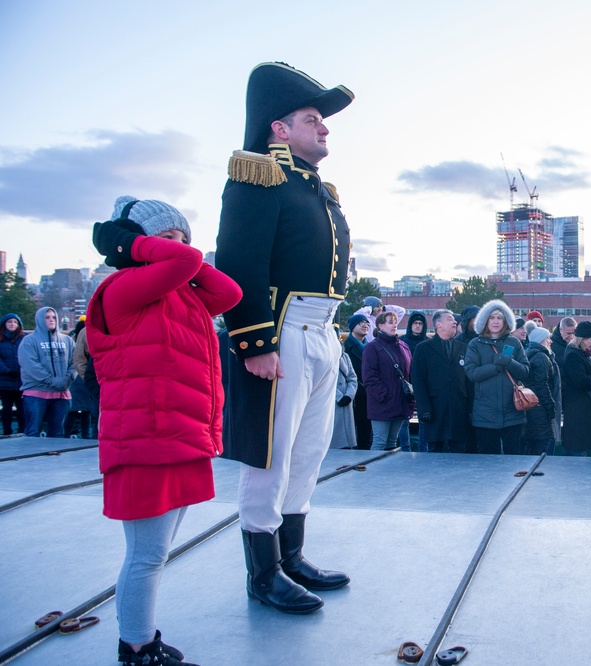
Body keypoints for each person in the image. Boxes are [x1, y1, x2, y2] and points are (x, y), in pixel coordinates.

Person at [215, 62, 354, 615]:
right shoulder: (257, 176)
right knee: (269, 458)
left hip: (321, 331)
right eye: (313, 119)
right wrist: (255, 343)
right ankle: (264, 572)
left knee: (308, 452)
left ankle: (292, 557)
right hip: (281, 331)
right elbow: (239, 261)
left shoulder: (314, 189)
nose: (324, 130)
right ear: (279, 128)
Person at [88, 195, 242, 666]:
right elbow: (189, 261)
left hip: (176, 437)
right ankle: (136, 647)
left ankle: (141, 638)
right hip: (144, 440)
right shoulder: (120, 289)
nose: (178, 246)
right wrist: (138, 247)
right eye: (164, 237)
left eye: (182, 236)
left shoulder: (183, 295)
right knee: (147, 555)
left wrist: (169, 251)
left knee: (156, 553)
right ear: (134, 245)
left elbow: (230, 294)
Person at [464, 300, 529, 454]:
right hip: (485, 415)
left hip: (513, 412)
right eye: (492, 317)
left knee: (513, 459)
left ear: (505, 321)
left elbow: (525, 371)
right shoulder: (475, 344)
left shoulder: (514, 342)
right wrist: (496, 367)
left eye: (499, 318)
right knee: (488, 462)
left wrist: (508, 362)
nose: (495, 321)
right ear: (485, 320)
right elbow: (472, 373)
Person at [410, 310, 472, 453]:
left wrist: (470, 409)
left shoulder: (463, 347)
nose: (455, 322)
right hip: (435, 409)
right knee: (435, 452)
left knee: (458, 451)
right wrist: (424, 408)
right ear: (438, 324)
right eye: (450, 319)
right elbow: (418, 381)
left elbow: (469, 381)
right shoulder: (423, 348)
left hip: (458, 408)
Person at [18, 306, 74, 438]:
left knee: (58, 434)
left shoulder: (67, 341)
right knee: (33, 432)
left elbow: (75, 362)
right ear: (40, 320)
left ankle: (55, 459)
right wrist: (52, 381)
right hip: (36, 393)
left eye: (54, 317)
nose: (51, 320)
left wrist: (68, 378)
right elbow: (31, 366)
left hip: (61, 394)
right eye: (47, 317)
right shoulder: (29, 341)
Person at [362, 310, 414, 450]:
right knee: (380, 442)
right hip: (382, 404)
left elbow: (409, 374)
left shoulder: (403, 346)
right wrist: (385, 395)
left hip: (400, 402)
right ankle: (374, 472)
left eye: (395, 322)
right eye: (390, 322)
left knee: (392, 442)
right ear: (380, 326)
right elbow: (369, 378)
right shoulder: (372, 348)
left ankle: (389, 472)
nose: (394, 325)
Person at [560, 321, 591, 456]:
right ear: (582, 339)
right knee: (577, 451)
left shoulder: (581, 353)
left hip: (581, 410)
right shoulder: (574, 355)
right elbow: (580, 381)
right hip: (577, 411)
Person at [523, 321, 560, 456]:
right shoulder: (541, 357)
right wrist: (551, 406)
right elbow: (542, 384)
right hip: (540, 409)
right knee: (545, 444)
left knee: (531, 445)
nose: (550, 341)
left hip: (531, 406)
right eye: (547, 338)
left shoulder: (529, 354)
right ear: (541, 340)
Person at [343, 314, 371, 449]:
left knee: (366, 435)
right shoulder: (344, 347)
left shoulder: (371, 347)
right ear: (352, 327)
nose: (365, 325)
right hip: (352, 396)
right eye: (360, 323)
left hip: (370, 395)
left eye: (367, 323)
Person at [0, 313, 26, 435]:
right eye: (10, 322)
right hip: (5, 381)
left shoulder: (24, 339)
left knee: (22, 408)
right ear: (4, 324)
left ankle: (22, 431)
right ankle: (7, 431)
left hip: (21, 380)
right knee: (7, 408)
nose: (12, 324)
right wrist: (8, 370)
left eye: (15, 322)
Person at [331, 337, 357, 449]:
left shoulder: (345, 357)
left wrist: (349, 395)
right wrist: (339, 396)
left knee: (347, 440)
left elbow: (352, 377)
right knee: (335, 438)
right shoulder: (328, 358)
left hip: (347, 401)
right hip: (333, 401)